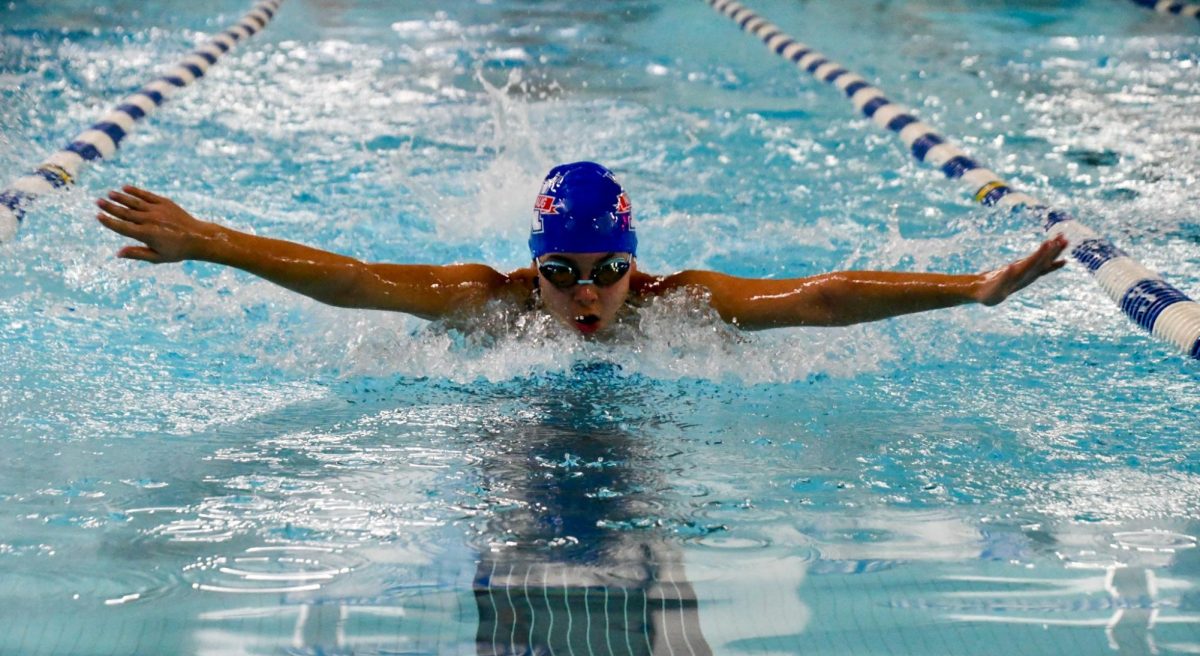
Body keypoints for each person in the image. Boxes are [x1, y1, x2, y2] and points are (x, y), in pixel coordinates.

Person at [96, 161, 1067, 337]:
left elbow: (816, 298)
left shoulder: (673, 301)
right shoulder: (487, 298)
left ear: (634, 264)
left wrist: (976, 289)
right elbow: (350, 278)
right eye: (562, 274)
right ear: (534, 266)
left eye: (608, 271)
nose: (587, 295)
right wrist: (208, 240)